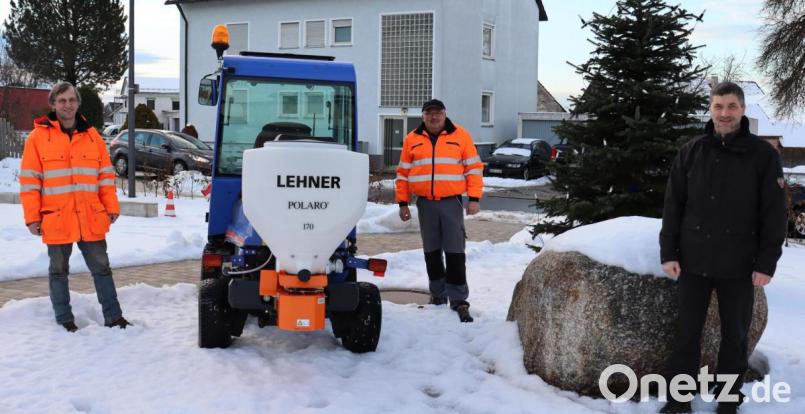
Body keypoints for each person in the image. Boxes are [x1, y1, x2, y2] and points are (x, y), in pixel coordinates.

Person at [659, 82, 786, 414]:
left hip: (740, 264)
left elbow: (774, 213)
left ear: (742, 109)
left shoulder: (762, 156)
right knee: (686, 335)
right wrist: (668, 252)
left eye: (731, 106)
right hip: (693, 261)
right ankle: (678, 401)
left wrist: (766, 262)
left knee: (735, 338)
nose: (725, 113)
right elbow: (673, 207)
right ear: (711, 109)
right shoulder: (691, 152)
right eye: (718, 106)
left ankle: (729, 402)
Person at [19, 82, 130, 332]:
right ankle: (64, 319)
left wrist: (111, 207)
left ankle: (114, 317)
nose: (67, 105)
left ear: (78, 103)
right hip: (56, 218)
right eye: (62, 101)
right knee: (58, 271)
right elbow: (30, 182)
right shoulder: (37, 139)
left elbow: (105, 176)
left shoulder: (93, 137)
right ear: (53, 104)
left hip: (91, 216)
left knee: (102, 268)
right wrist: (32, 218)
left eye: (71, 100)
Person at [396, 99, 484, 323]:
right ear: (423, 116)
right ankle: (438, 294)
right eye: (429, 113)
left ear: (445, 114)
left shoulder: (460, 135)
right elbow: (403, 173)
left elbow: (474, 168)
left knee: (455, 251)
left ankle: (458, 299)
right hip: (425, 203)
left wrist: (474, 198)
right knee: (431, 251)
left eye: (438, 113)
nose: (433, 117)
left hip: (451, 202)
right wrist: (402, 203)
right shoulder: (412, 139)